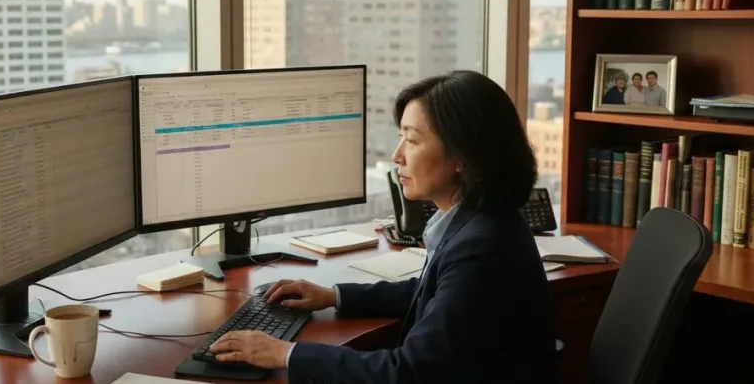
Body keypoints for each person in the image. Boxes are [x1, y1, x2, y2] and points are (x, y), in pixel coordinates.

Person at [208, 71, 557, 383]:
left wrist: (283, 353)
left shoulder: (481, 247)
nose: (397, 155)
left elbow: (406, 373)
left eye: (413, 140)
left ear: (462, 158)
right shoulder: (485, 221)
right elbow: (434, 293)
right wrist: (334, 296)